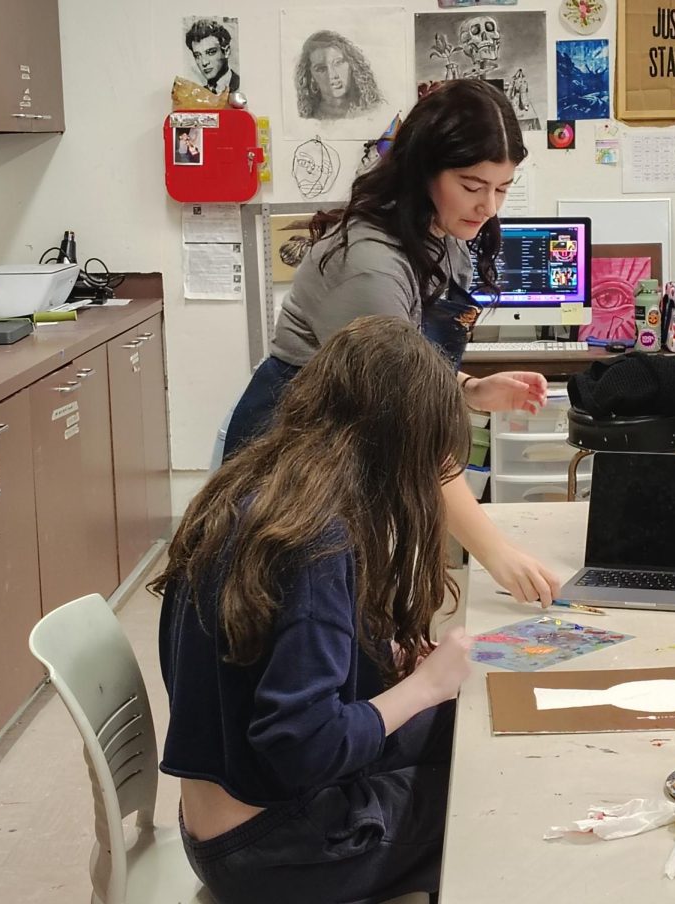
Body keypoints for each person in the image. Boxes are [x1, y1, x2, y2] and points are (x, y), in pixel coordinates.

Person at [156, 316, 473, 903]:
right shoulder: (317, 544)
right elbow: (303, 745)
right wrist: (425, 686)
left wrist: (380, 656)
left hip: (223, 813)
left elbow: (260, 660)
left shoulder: (256, 488)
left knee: (465, 729)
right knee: (484, 802)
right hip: (270, 846)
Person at [225, 78, 560, 606]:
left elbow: (407, 364)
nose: (489, 207)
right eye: (473, 186)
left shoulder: (443, 236)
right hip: (297, 452)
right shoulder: (369, 264)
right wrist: (497, 553)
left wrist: (469, 389)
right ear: (422, 170)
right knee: (300, 622)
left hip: (363, 439)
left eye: (503, 188)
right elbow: (403, 421)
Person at [295, 30, 383, 120]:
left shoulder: (374, 112)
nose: (332, 75)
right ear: (311, 76)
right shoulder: (309, 120)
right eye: (321, 69)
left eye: (338, 63)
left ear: (352, 65)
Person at [186, 18, 239, 95]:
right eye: (197, 55)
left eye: (210, 52)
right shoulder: (199, 94)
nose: (204, 62)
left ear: (226, 51)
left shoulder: (239, 86)